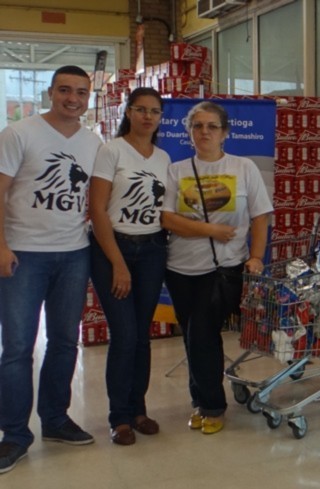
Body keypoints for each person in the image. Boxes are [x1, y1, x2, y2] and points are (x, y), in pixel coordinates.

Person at [0, 65, 102, 474]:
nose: (72, 99)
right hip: (24, 254)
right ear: (50, 92)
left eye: (80, 92)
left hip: (74, 253)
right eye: (64, 90)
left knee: (64, 341)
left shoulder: (93, 142)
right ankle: (14, 434)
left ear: (88, 97)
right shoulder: (19, 133)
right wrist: (1, 245)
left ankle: (56, 420)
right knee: (17, 348)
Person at [160, 101, 272, 435]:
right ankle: (200, 400)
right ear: (189, 133)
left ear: (225, 133)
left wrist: (256, 256)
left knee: (202, 334)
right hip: (180, 269)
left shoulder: (243, 167)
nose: (204, 132)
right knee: (192, 336)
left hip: (224, 268)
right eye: (198, 126)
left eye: (212, 126)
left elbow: (260, 216)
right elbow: (168, 220)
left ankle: (211, 405)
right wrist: (210, 230)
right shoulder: (177, 170)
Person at [89, 87, 171, 446]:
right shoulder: (111, 151)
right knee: (123, 335)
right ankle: (119, 417)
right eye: (141, 109)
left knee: (141, 335)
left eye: (154, 111)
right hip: (113, 249)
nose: (147, 116)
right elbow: (97, 211)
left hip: (152, 250)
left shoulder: (164, 157)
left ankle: (139, 410)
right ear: (128, 112)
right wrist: (118, 263)